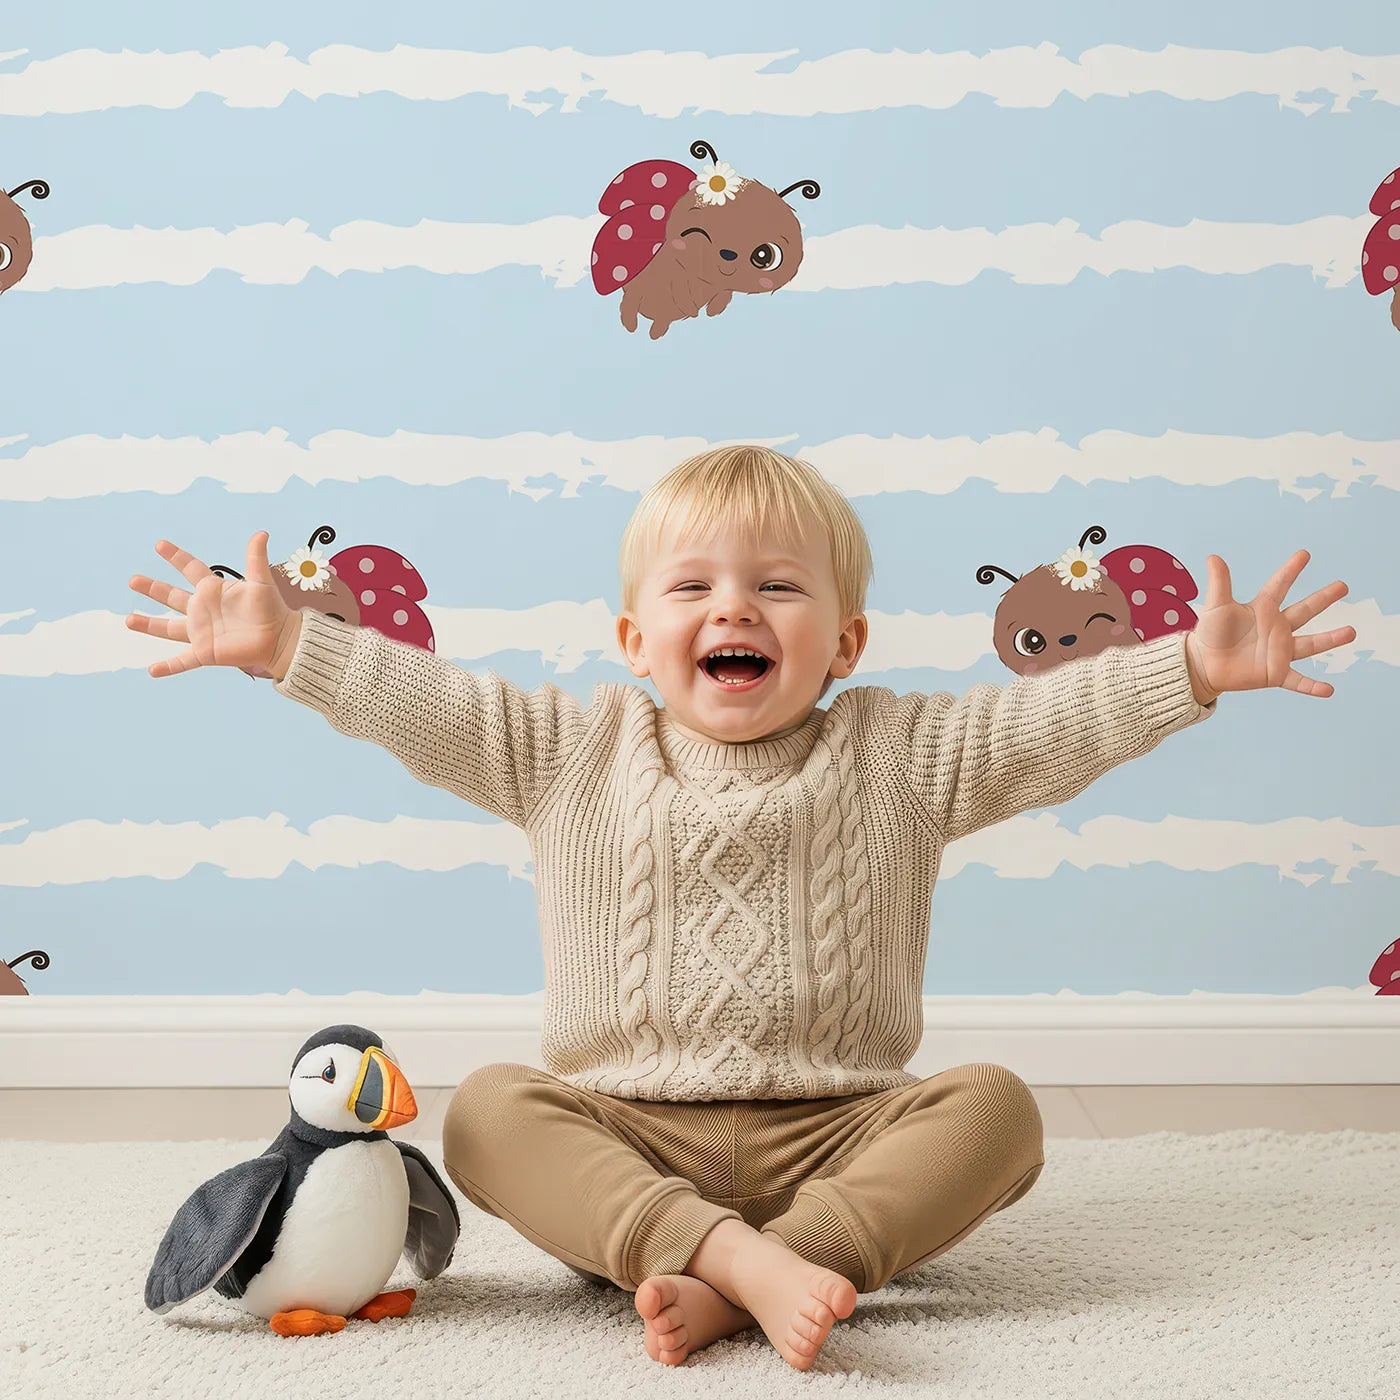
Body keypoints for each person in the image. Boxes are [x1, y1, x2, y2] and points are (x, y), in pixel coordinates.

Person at [124, 445, 1355, 1372]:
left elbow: (1050, 724)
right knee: (493, 1108)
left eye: (778, 586)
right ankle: (742, 1262)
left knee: (995, 1108)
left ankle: (759, 1265)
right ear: (630, 636)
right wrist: (293, 648)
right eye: (692, 586)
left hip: (841, 1132)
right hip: (629, 1137)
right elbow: (425, 703)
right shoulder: (569, 749)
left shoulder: (905, 753)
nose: (733, 609)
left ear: (845, 640)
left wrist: (1190, 667)